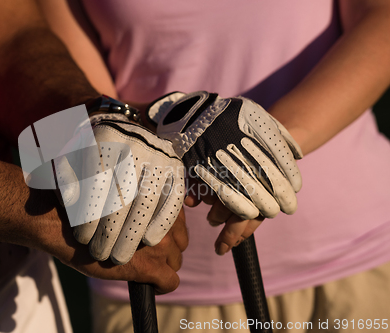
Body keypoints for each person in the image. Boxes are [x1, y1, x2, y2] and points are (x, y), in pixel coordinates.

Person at [42, 0, 390, 332]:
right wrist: (163, 122)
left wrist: (266, 145)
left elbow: (380, 18)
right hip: (158, 276)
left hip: (355, 258)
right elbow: (71, 94)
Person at [0, 0, 188, 332]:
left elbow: (5, 39)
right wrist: (48, 216)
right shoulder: (45, 222)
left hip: (21, 282)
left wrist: (91, 127)